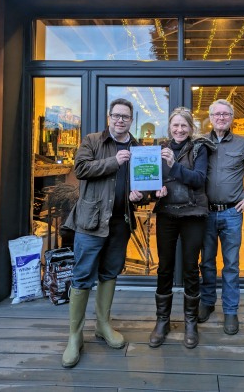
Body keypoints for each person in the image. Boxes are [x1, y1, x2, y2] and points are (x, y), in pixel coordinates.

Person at [62, 98, 144, 368]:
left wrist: (140, 196)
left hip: (121, 221)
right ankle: (75, 336)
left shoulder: (138, 147)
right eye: (116, 116)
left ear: (132, 121)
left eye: (126, 117)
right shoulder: (92, 140)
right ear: (109, 117)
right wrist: (113, 161)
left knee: (110, 273)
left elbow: (144, 184)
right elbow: (81, 169)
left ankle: (102, 326)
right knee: (83, 275)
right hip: (91, 221)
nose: (120, 120)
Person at [199, 99, 244, 335]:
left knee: (231, 265)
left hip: (232, 213)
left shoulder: (243, 144)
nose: (221, 118)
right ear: (210, 118)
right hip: (206, 213)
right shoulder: (199, 144)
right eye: (217, 114)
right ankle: (208, 303)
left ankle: (230, 311)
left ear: (231, 118)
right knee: (207, 262)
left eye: (226, 114)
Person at [149, 107, 216, 349]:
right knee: (164, 267)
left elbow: (199, 179)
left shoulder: (200, 148)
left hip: (193, 215)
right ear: (169, 127)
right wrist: (154, 190)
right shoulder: (158, 149)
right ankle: (162, 321)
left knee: (190, 268)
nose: (179, 130)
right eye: (175, 125)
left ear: (191, 128)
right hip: (167, 214)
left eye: (184, 126)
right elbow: (150, 179)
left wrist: (173, 164)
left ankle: (190, 323)